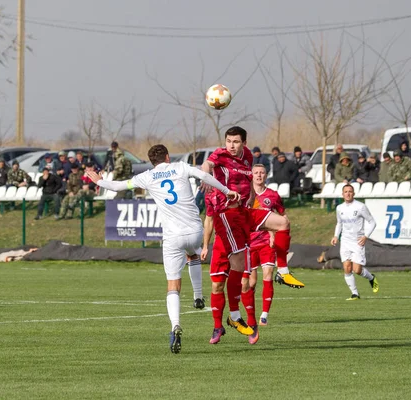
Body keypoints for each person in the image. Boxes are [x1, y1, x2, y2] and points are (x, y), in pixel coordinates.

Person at [87, 144, 239, 354]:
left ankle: (175, 325)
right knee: (193, 253)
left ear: (152, 161)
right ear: (167, 157)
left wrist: (98, 180)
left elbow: (119, 186)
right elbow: (205, 176)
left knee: (173, 285)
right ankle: (197, 296)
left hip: (172, 237)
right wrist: (227, 190)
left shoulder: (147, 176)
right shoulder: (180, 167)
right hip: (195, 230)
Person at [200, 127, 304, 344]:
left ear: (244, 142)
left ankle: (282, 271)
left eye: (236, 141)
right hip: (227, 220)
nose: (231, 145)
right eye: (228, 141)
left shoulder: (247, 156)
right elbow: (207, 165)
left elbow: (246, 180)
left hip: (244, 215)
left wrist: (250, 196)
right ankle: (224, 323)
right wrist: (204, 175)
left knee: (283, 223)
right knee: (221, 282)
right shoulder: (220, 155)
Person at [248, 164, 285, 328]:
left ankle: (264, 315)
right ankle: (250, 312)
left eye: (262, 172)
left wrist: (277, 235)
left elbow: (282, 216)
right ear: (251, 175)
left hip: (266, 242)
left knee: (268, 275)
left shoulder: (273, 195)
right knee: (251, 283)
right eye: (256, 172)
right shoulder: (245, 194)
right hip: (248, 242)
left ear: (266, 175)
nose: (258, 175)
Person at [331, 184, 379, 300]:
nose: (348, 193)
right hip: (345, 241)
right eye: (346, 191)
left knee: (357, 270)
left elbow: (372, 222)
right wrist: (336, 236)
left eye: (350, 191)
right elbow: (339, 223)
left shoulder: (360, 207)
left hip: (357, 242)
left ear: (354, 193)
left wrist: (366, 236)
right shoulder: (339, 208)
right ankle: (355, 294)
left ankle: (371, 278)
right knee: (347, 267)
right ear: (342, 194)